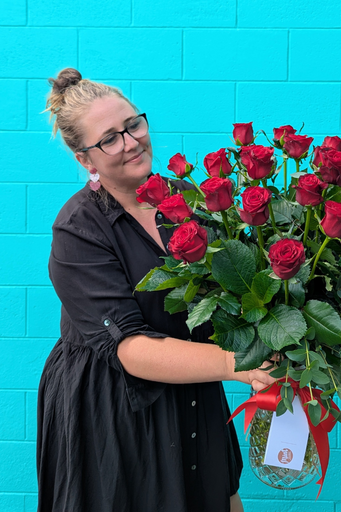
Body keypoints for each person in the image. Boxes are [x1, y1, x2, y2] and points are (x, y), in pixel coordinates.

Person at [36, 68, 276, 512]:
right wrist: (239, 363)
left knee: (217, 498)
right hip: (114, 405)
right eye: (109, 138)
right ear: (84, 159)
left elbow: (229, 295)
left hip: (195, 381)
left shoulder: (186, 198)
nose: (130, 142)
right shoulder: (78, 230)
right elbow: (129, 349)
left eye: (133, 125)